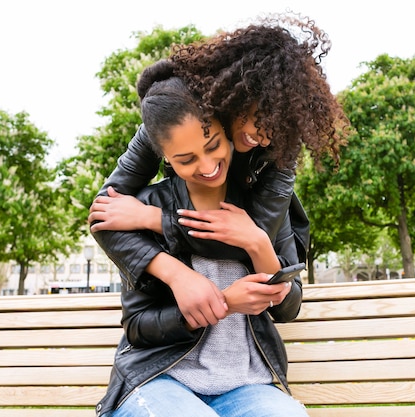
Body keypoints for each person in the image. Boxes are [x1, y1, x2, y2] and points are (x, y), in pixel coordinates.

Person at [89, 12, 349, 331]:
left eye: (278, 127)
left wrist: (153, 219)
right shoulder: (173, 119)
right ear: (239, 94)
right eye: (258, 117)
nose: (264, 136)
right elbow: (104, 213)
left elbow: (251, 239)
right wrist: (175, 272)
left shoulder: (278, 154)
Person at [96, 63, 308, 417]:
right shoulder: (145, 206)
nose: (207, 165)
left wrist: (258, 243)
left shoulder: (264, 205)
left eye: (212, 146)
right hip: (160, 379)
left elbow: (289, 305)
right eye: (186, 159)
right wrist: (209, 297)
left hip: (247, 384)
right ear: (165, 157)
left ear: (224, 130)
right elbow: (138, 326)